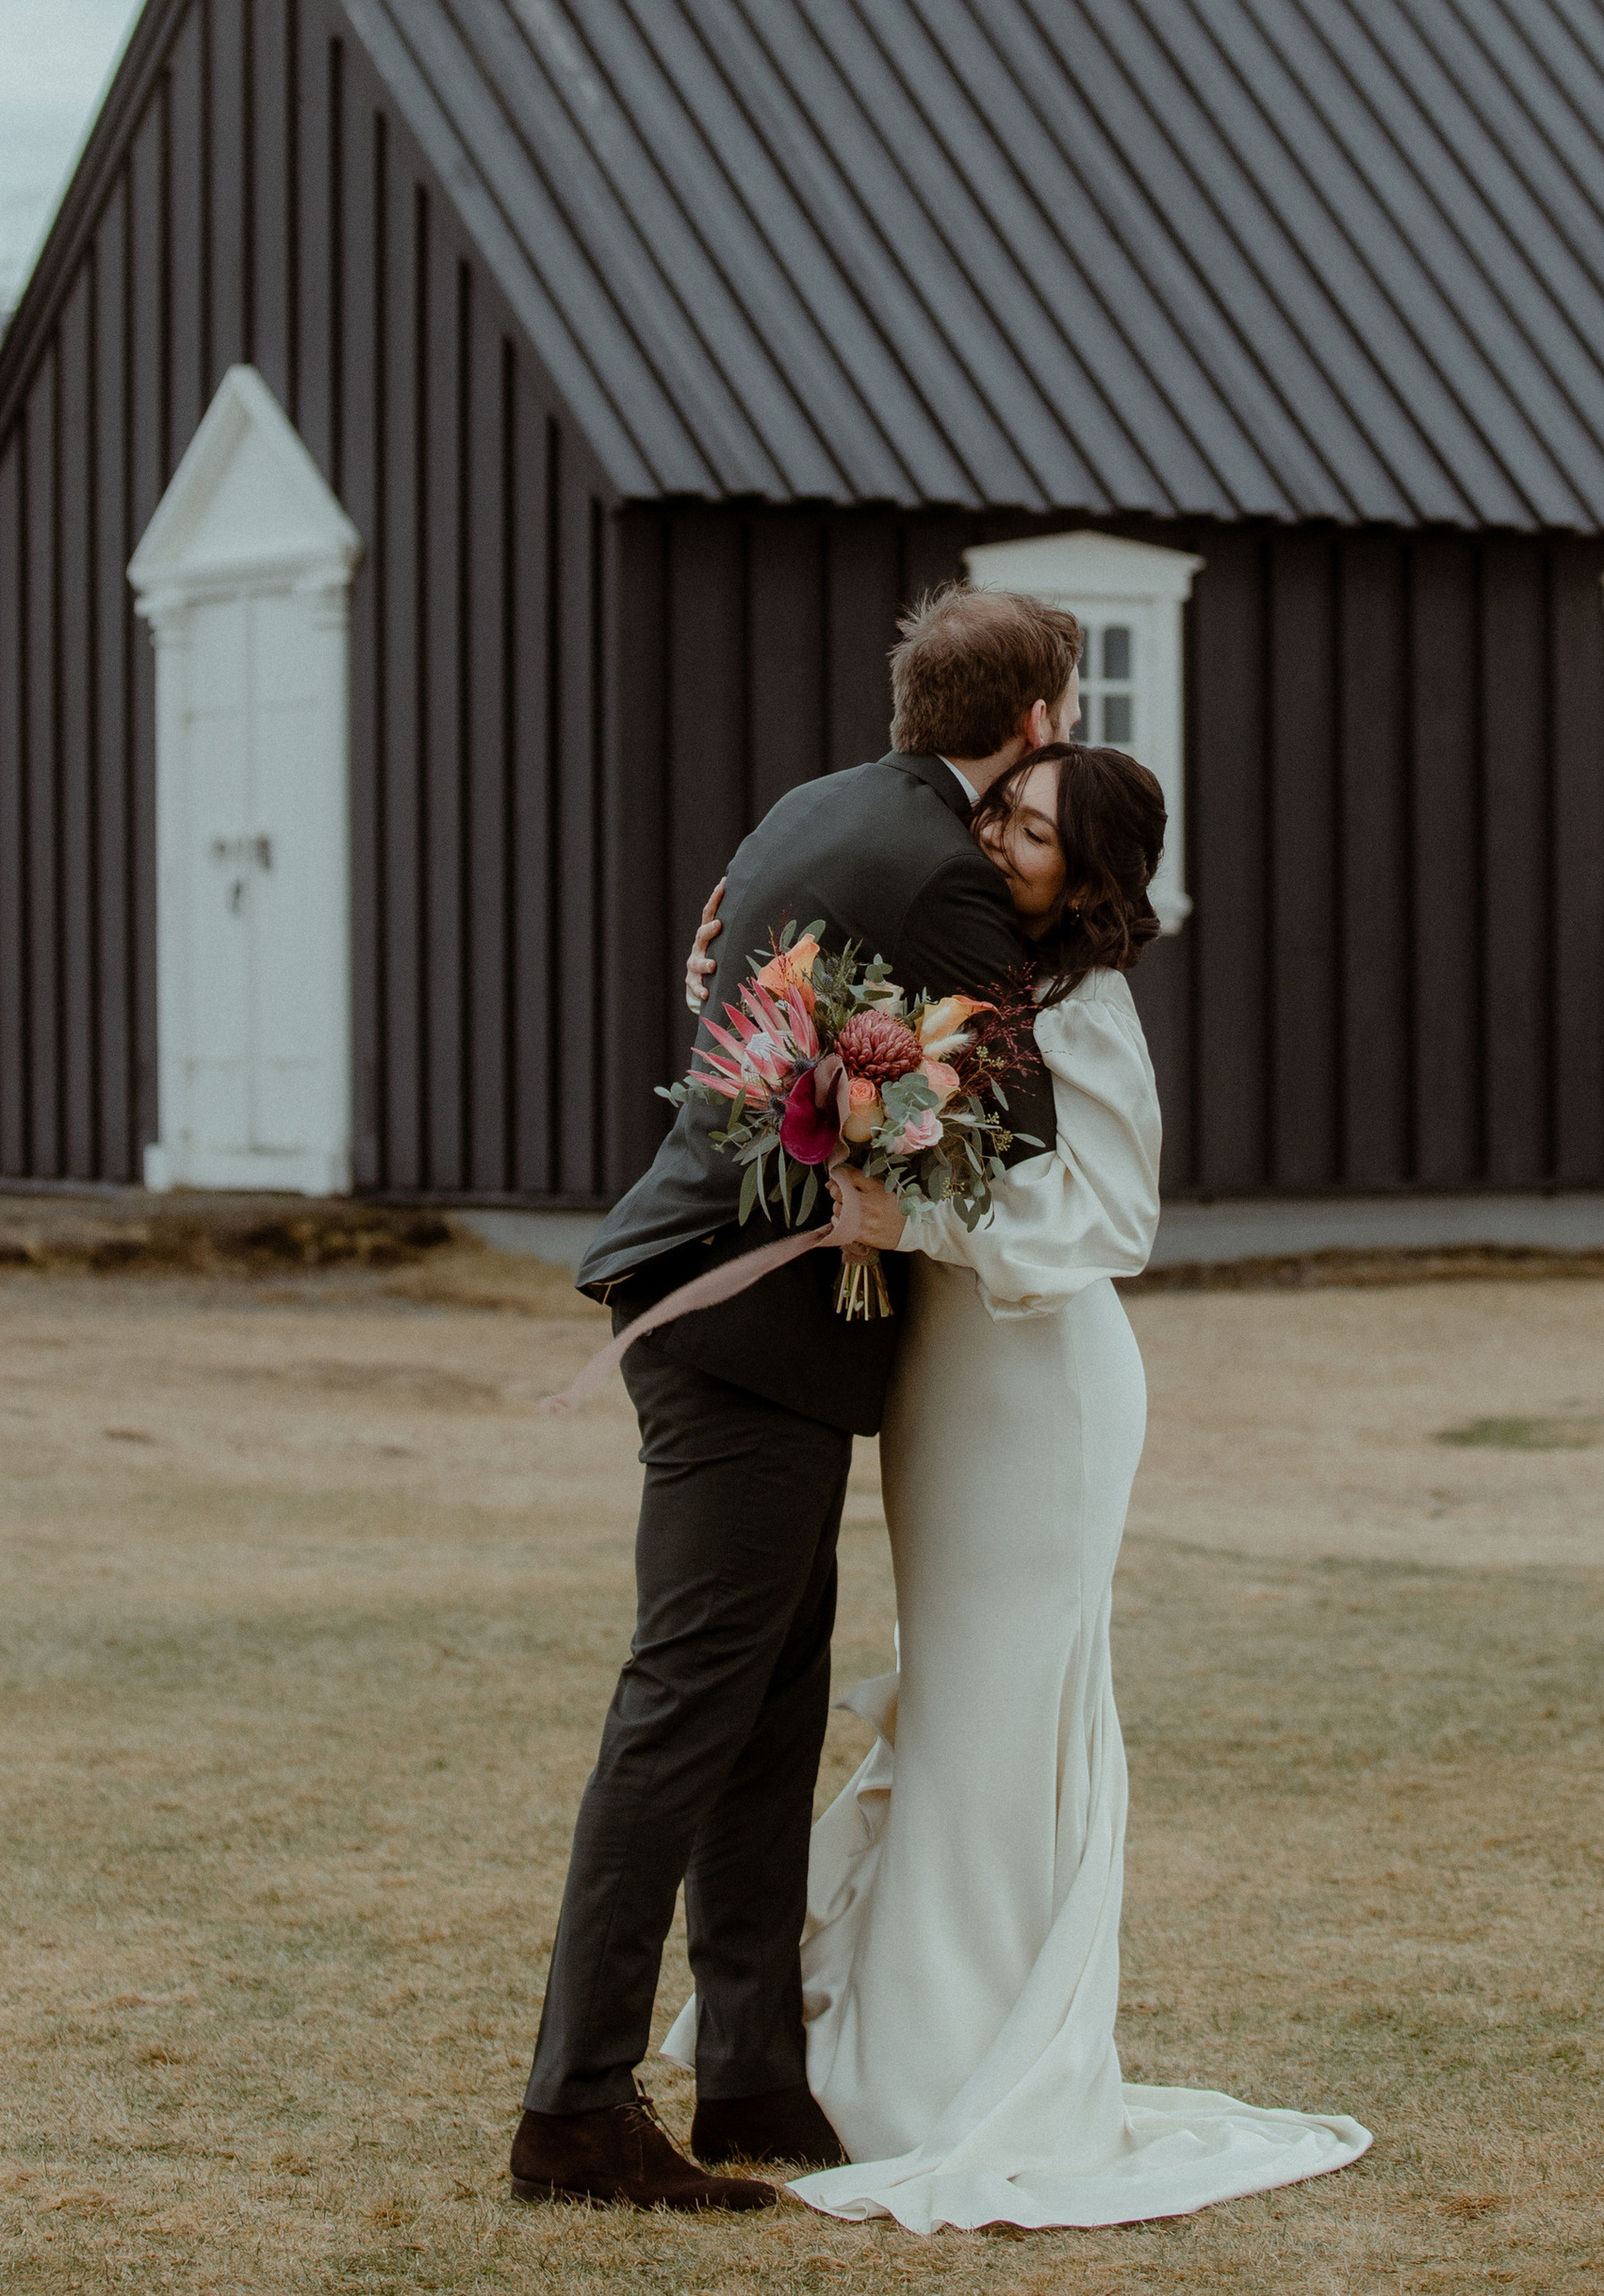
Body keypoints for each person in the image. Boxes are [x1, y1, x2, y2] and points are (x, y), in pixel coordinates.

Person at [666, 741, 1372, 2233]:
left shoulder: (1092, 1006)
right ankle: (892, 2046)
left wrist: (914, 1212)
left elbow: (1115, 1214)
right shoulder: (976, 965)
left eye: (1036, 830)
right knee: (950, 1696)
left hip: (1043, 1389)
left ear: (1096, 874)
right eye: (999, 807)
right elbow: (814, 1046)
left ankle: (956, 2072)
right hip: (943, 1385)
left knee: (1004, 1710)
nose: (1000, 838)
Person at [508, 583, 1082, 2214]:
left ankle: (754, 2075)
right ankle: (575, 2111)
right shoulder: (947, 876)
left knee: (769, 1703)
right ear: (1033, 725)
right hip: (739, 1322)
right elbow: (1019, 1136)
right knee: (688, 1704)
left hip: (743, 1320)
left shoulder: (812, 809)